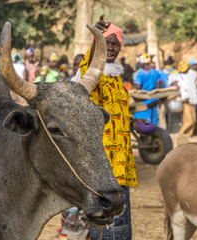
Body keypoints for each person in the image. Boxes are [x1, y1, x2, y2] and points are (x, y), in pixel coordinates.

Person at [69, 16, 146, 240]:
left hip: (121, 159)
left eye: (115, 44)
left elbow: (113, 110)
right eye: (106, 42)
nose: (111, 48)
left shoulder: (117, 75)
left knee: (121, 219)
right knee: (106, 221)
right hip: (103, 161)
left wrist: (132, 122)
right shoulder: (95, 72)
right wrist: (97, 41)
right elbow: (85, 73)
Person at [132, 53, 162, 125]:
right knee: (153, 116)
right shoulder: (156, 72)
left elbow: (138, 86)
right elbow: (159, 85)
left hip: (144, 99)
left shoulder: (141, 73)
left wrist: (133, 86)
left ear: (142, 64)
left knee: (141, 117)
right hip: (154, 98)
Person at [177, 60, 197, 137]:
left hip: (193, 101)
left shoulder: (193, 74)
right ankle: (179, 135)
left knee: (193, 121)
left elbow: (196, 85)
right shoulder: (179, 76)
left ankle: (187, 137)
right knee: (188, 121)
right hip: (185, 101)